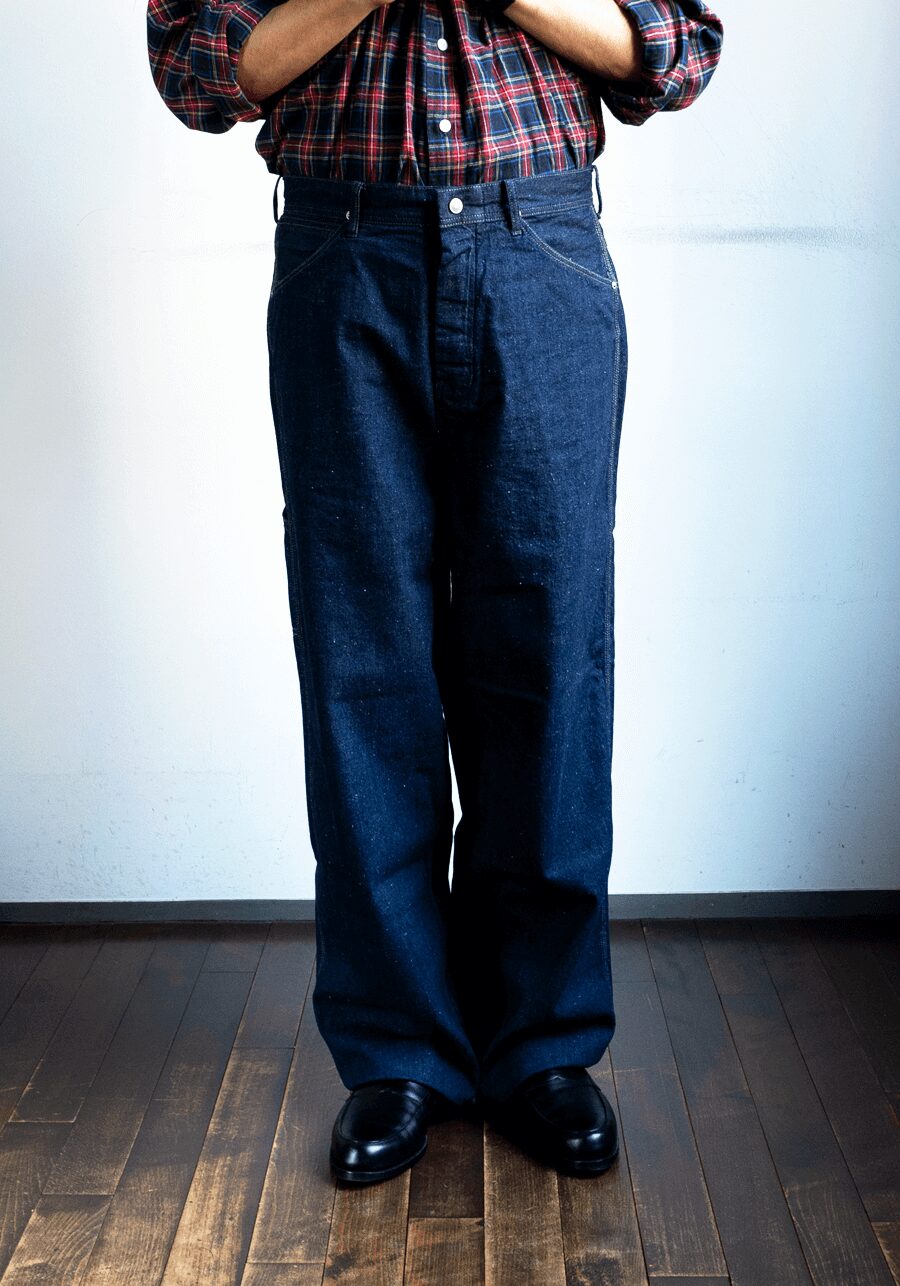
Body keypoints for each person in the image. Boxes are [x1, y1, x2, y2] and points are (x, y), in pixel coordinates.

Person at [147, 0, 724, 1186]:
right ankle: (398, 1049)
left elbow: (677, 49)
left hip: (537, 244)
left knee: (548, 652)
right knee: (363, 660)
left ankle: (543, 1043)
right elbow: (199, 67)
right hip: (344, 249)